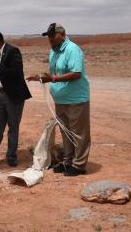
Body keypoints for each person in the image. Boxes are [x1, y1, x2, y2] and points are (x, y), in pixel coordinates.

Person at [27, 23, 91, 177]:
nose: (51, 39)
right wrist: (41, 77)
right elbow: (53, 73)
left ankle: (79, 164)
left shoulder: (72, 49)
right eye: (49, 36)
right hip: (60, 100)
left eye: (53, 35)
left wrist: (53, 79)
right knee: (66, 132)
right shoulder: (53, 52)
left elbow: (76, 73)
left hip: (76, 99)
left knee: (78, 133)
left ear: (63, 34)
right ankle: (67, 161)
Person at [0, 30, 31, 167]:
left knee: (13, 127)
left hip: (12, 95)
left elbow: (17, 72)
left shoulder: (12, 51)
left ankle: (11, 156)